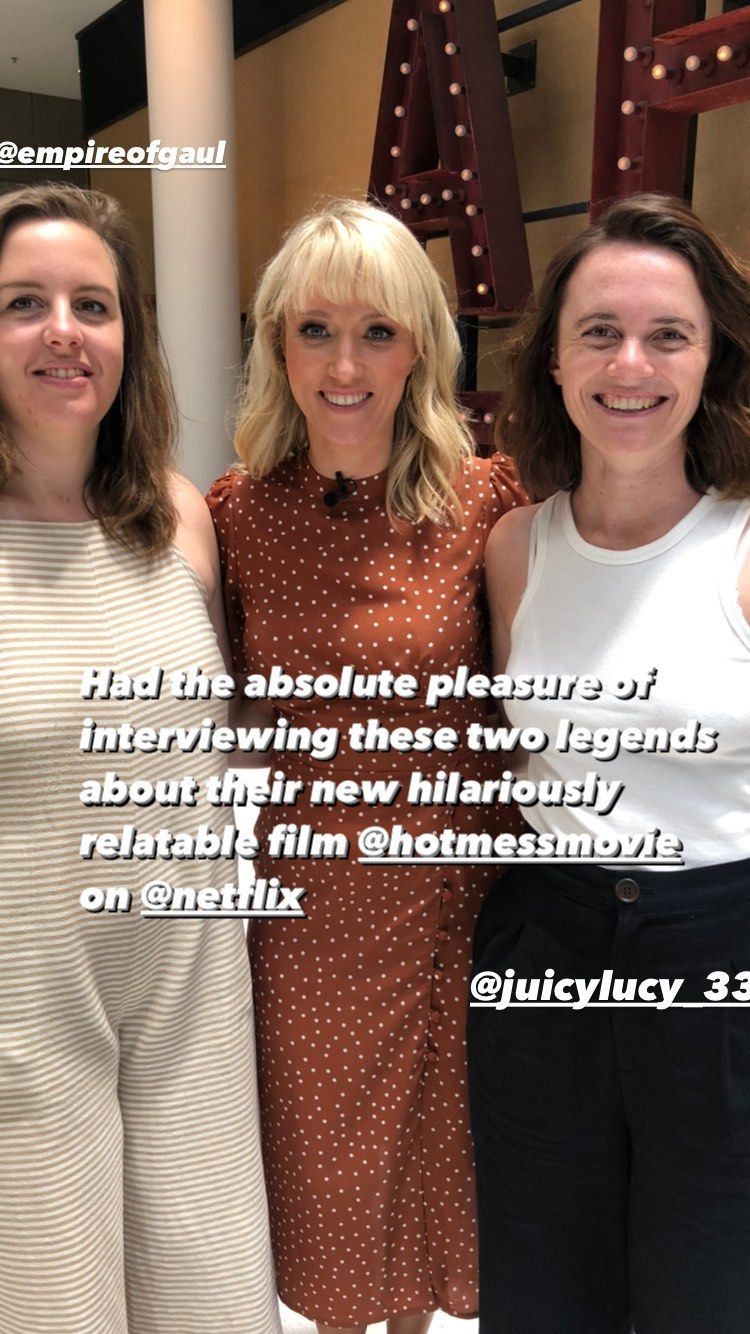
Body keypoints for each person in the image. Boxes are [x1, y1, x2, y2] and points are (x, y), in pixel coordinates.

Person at [207, 198, 526, 1334]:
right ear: (278, 347)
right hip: (316, 924)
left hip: (465, 910)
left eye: (378, 331)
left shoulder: (487, 500)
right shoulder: (238, 517)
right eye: (316, 330)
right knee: (336, 1201)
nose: (346, 365)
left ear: (421, 347)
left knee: (456, 1193)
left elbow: (535, 705)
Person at [0, 184, 279, 1334]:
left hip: (190, 1005)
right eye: (23, 303)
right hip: (21, 1017)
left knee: (213, 1301)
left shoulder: (176, 516)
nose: (63, 330)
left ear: (130, 335)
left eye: (93, 304)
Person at [470, 193, 750, 1333]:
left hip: (722, 956)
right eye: (600, 332)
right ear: (552, 359)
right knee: (543, 1296)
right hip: (549, 947)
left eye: (667, 334)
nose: (630, 365)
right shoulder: (514, 549)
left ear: (712, 357)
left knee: (712, 1295)